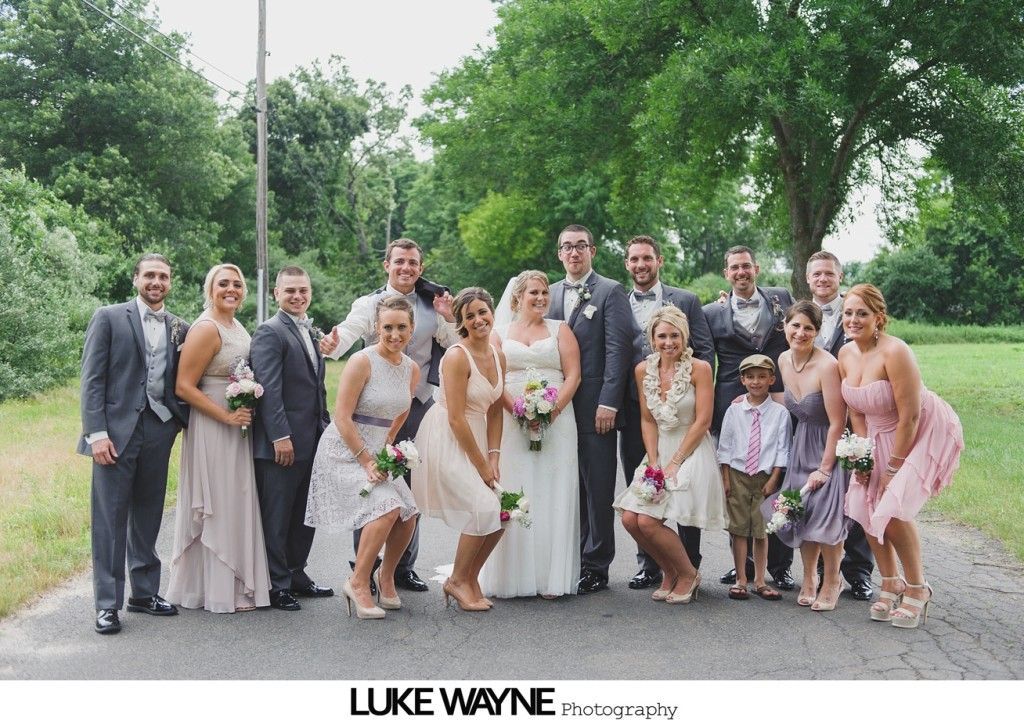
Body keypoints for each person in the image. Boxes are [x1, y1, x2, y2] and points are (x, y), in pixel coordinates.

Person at [320, 238, 457, 595]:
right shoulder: (369, 304)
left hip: (418, 407)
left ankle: (400, 569)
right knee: (370, 484)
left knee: (410, 489)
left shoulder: (433, 304)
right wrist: (335, 343)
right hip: (375, 411)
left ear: (421, 268)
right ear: (387, 265)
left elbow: (455, 342)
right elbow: (350, 330)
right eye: (399, 262)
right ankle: (363, 566)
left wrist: (451, 317)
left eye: (413, 262)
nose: (406, 268)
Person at [839, 284, 963, 628]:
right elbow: (857, 411)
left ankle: (918, 587)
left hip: (910, 432)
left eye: (861, 313)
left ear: (879, 318)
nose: (853, 319)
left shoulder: (896, 352)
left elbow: (910, 416)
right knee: (865, 506)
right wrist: (862, 458)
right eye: (848, 313)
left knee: (892, 510)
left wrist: (893, 466)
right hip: (872, 436)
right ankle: (890, 582)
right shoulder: (845, 354)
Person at [78, 253, 190, 634]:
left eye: (163, 276)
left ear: (170, 283)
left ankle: (144, 593)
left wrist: (177, 422)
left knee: (148, 514)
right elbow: (92, 379)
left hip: (159, 431)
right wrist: (96, 433)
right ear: (135, 279)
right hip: (114, 433)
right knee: (110, 520)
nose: (156, 282)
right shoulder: (109, 317)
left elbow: (185, 379)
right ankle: (107, 605)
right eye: (150, 275)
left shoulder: (179, 326)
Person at [305, 296, 420, 620]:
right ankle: (357, 583)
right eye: (388, 327)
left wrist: (389, 448)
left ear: (411, 329)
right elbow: (341, 416)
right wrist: (367, 460)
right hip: (344, 449)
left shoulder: (411, 369)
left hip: (377, 450)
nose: (395, 334)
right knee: (387, 508)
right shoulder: (362, 361)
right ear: (376, 328)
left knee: (409, 514)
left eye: (401, 327)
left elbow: (401, 412)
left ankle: (385, 578)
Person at [166, 264, 271, 613]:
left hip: (237, 424)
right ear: (209, 289)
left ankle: (235, 583)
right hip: (213, 426)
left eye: (237, 284)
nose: (231, 289)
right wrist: (226, 415)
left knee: (234, 498)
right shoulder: (206, 328)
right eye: (222, 283)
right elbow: (183, 386)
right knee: (219, 500)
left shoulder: (236, 325)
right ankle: (212, 588)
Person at [620, 235, 715, 590]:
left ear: (658, 260)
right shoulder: (617, 300)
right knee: (640, 512)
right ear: (628, 264)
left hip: (686, 419)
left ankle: (688, 567)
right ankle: (659, 568)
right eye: (634, 259)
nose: (641, 264)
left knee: (680, 504)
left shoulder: (687, 301)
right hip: (644, 414)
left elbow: (705, 351)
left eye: (647, 258)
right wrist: (656, 456)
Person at [613, 307, 725, 604]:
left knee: (649, 522)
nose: (669, 342)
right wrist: (653, 461)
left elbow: (703, 420)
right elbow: (647, 420)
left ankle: (688, 574)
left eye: (675, 335)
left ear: (684, 336)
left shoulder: (700, 368)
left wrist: (675, 462)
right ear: (652, 338)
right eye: (662, 335)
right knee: (629, 519)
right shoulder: (642, 370)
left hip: (690, 448)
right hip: (659, 450)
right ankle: (669, 571)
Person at [480, 271, 582, 599]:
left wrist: (550, 413)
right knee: (516, 487)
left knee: (553, 491)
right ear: (518, 297)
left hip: (558, 421)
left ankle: (551, 577)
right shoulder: (499, 333)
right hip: (511, 421)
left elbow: (573, 376)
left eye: (544, 294)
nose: (540, 298)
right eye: (533, 293)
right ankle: (512, 576)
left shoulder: (560, 330)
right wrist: (520, 412)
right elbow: (494, 378)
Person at [546, 224, 634, 594]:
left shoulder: (610, 291)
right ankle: (567, 560)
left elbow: (620, 350)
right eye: (567, 247)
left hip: (595, 406)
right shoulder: (546, 294)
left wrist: (609, 402)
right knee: (564, 487)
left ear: (592, 251)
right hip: (553, 409)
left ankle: (596, 565)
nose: (574, 253)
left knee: (597, 486)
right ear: (559, 254)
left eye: (580, 246)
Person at [704, 245, 795, 589]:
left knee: (777, 482)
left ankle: (780, 566)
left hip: (778, 398)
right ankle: (740, 567)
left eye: (746, 266)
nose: (741, 273)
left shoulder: (780, 297)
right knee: (738, 489)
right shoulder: (712, 312)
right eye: (734, 268)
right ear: (726, 273)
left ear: (756, 268)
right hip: (732, 402)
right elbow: (705, 358)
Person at [412, 288, 506, 612]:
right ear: (462, 323)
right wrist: (480, 465)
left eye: (483, 312)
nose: (478, 320)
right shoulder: (456, 356)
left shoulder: (497, 354)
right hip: (449, 437)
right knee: (482, 506)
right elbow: (455, 418)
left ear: (492, 312)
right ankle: (455, 579)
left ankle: (469, 578)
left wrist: (494, 456)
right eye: (470, 316)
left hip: (478, 435)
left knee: (504, 512)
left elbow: (495, 409)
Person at [250, 266, 333, 612]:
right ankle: (276, 584)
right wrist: (279, 436)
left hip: (313, 438)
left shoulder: (309, 331)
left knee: (305, 513)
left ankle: (297, 573)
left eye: (303, 290)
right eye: (290, 291)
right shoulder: (270, 332)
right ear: (276, 294)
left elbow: (315, 388)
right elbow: (268, 390)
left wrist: (327, 429)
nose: (298, 296)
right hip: (282, 445)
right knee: (278, 515)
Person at [761, 301, 851, 611]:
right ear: (784, 326)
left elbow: (839, 422)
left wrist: (825, 469)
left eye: (808, 328)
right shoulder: (783, 360)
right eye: (795, 325)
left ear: (817, 332)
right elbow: (784, 401)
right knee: (801, 514)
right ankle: (809, 577)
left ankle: (832, 581)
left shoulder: (827, 366)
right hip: (801, 445)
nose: (800, 333)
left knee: (827, 518)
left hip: (828, 446)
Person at [806, 250, 874, 601]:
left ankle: (859, 572)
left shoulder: (855, 313)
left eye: (829, 274)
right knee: (819, 494)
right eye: (816, 274)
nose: (822, 279)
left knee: (856, 491)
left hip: (854, 417)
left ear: (840, 276)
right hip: (813, 422)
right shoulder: (799, 315)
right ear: (808, 279)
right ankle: (819, 571)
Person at [717, 355, 791, 601]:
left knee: (761, 531)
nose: (756, 382)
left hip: (764, 476)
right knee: (739, 529)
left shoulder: (780, 413)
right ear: (742, 380)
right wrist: (725, 478)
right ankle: (741, 579)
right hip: (737, 475)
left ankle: (760, 580)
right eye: (750, 377)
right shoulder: (734, 410)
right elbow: (724, 446)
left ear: (771, 379)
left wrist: (774, 478)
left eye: (761, 376)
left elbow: (783, 449)